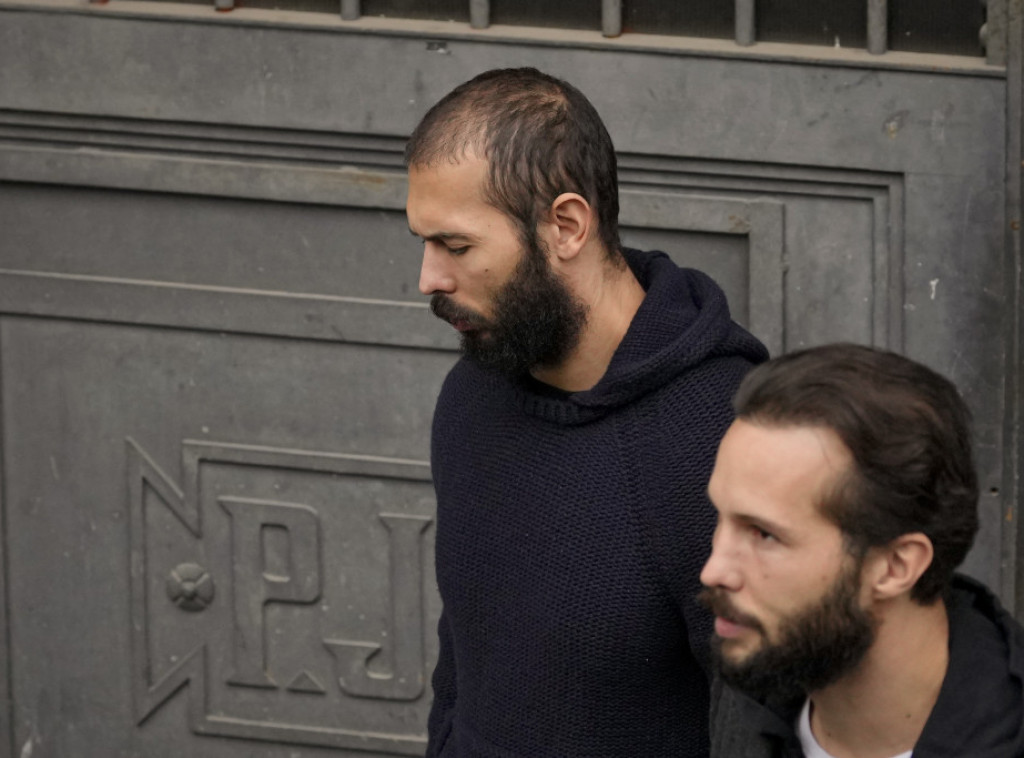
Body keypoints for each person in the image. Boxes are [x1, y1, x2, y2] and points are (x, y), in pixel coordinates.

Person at [404, 67, 768, 757]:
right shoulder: (474, 393)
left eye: (456, 246)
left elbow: (762, 718)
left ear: (566, 225)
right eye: (424, 243)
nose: (429, 279)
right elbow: (464, 661)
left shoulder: (717, 439)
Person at [699, 343, 1024, 758]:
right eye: (721, 518)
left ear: (894, 566)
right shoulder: (758, 674)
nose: (713, 571)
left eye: (764, 535)